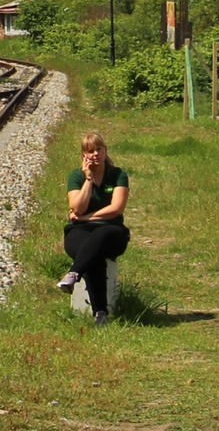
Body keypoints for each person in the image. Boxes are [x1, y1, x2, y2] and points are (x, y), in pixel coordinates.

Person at [56, 131, 129, 325]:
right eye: (90, 151)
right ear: (84, 156)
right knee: (90, 252)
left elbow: (116, 209)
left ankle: (74, 273)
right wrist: (88, 179)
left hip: (112, 231)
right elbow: (76, 206)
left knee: (101, 235)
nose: (95, 154)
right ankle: (101, 314)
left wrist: (85, 217)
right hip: (79, 232)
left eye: (99, 149)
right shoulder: (76, 177)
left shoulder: (117, 175)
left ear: (105, 151)